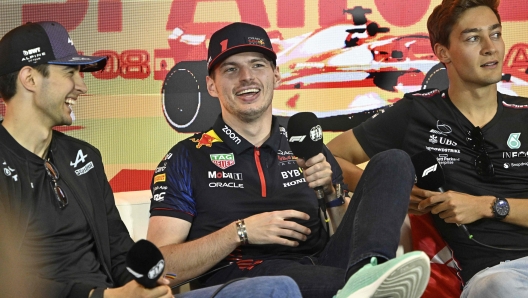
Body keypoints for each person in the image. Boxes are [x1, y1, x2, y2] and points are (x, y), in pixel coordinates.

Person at [0, 21, 301, 298]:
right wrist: (104, 297)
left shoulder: (82, 157)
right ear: (30, 78)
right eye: (69, 73)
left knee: (277, 288)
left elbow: (119, 250)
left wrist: (146, 287)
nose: (81, 86)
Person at [147, 21, 431, 298]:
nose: (247, 76)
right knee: (324, 282)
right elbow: (160, 268)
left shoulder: (306, 144)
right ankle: (367, 287)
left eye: (258, 65)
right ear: (211, 85)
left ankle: (370, 276)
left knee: (393, 161)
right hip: (249, 279)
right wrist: (241, 232)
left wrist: (330, 193)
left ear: (276, 75)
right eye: (231, 69)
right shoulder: (186, 157)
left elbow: (347, 232)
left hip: (325, 267)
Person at [327, 0, 528, 297]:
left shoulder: (523, 114)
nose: (491, 48)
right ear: (443, 52)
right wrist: (388, 190)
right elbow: (331, 157)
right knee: (500, 288)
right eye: (473, 38)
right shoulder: (418, 112)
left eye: (495, 34)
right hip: (492, 275)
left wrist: (486, 205)